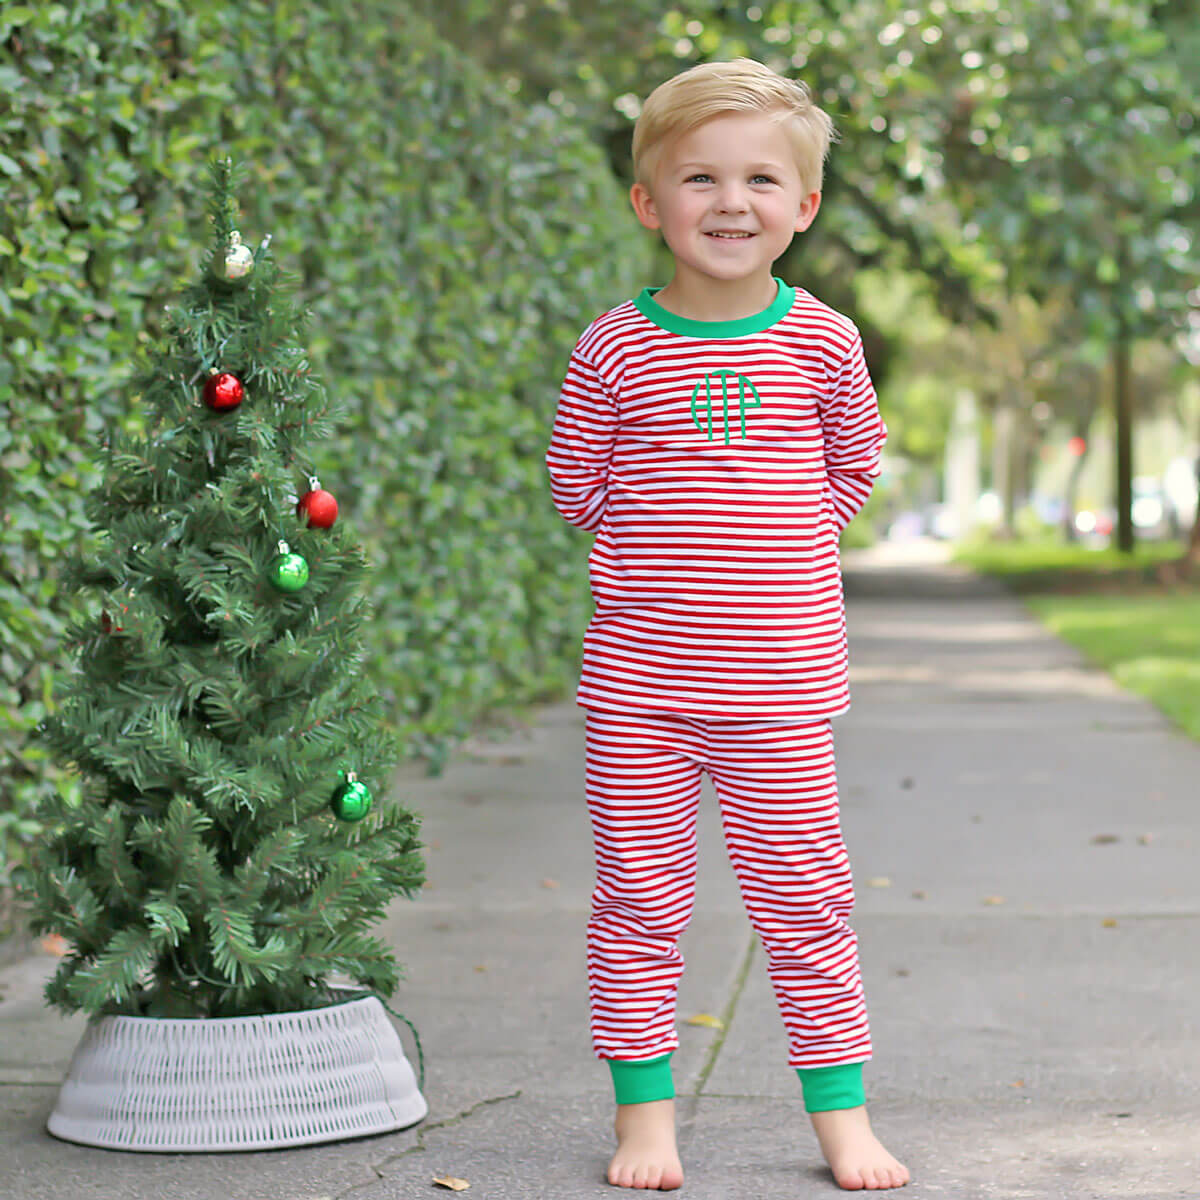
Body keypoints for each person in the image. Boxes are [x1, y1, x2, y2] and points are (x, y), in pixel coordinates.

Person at [544, 57, 910, 1192]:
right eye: (699, 178)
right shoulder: (613, 345)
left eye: (761, 179)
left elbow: (851, 467)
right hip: (639, 694)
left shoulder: (826, 342)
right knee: (639, 898)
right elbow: (578, 487)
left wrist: (779, 547)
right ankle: (644, 1120)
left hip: (783, 691)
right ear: (650, 202)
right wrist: (671, 547)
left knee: (807, 903)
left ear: (802, 207)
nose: (730, 202)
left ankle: (843, 1120)